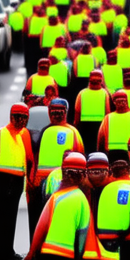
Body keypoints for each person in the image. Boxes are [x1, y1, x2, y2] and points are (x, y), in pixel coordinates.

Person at [0, 104, 34, 260]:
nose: (20, 120)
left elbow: (29, 157)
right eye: (17, 116)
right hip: (0, 180)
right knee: (0, 217)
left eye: (24, 117)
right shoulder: (0, 134)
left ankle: (9, 250)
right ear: (11, 116)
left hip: (17, 181)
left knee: (11, 216)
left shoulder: (25, 134)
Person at [29, 99, 83, 237]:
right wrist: (32, 178)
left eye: (60, 112)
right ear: (49, 113)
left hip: (63, 181)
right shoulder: (44, 132)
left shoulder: (73, 132)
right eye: (54, 112)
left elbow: (80, 160)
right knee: (39, 218)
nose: (57, 115)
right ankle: (36, 253)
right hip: (41, 182)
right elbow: (35, 157)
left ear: (66, 113)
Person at [97, 90, 130, 160]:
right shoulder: (108, 118)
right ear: (114, 102)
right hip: (114, 154)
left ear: (127, 101)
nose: (121, 104)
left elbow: (100, 139)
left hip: (126, 154)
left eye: (122, 101)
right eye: (118, 102)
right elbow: (101, 138)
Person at [73, 69, 111, 149]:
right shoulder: (104, 93)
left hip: (85, 126)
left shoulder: (82, 93)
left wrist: (76, 125)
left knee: (86, 149)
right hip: (98, 125)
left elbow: (77, 112)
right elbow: (107, 112)